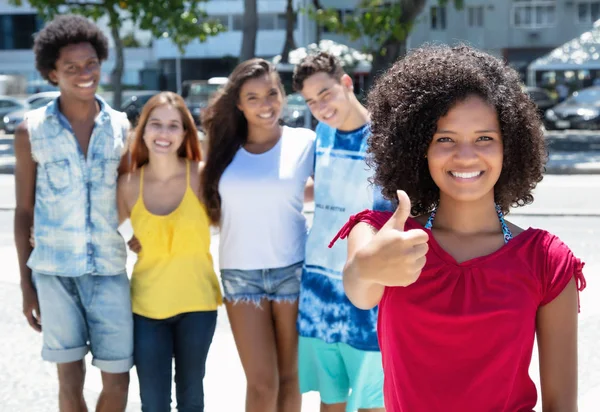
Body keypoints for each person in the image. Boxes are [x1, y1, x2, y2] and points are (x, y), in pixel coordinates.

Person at [335, 44, 587, 412]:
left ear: (510, 147)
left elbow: (562, 405)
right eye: (445, 139)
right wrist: (365, 267)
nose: (466, 155)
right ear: (418, 147)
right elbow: (360, 290)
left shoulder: (547, 261)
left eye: (485, 138)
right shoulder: (382, 236)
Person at [13, 15, 132, 412]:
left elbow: (128, 199)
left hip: (109, 272)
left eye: (92, 64)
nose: (85, 74)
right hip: (54, 273)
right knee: (69, 382)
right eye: (72, 68)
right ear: (52, 73)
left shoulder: (120, 127)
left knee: (118, 378)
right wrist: (26, 284)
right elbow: (24, 212)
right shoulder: (31, 130)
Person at [201, 58, 315, 412]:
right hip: (240, 276)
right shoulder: (222, 150)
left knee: (291, 377)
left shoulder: (305, 142)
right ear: (238, 103)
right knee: (262, 384)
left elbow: (335, 191)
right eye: (253, 97)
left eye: (271, 93)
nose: (265, 104)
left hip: (293, 271)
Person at [291, 51, 388, 412]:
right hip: (318, 285)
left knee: (371, 402)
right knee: (329, 400)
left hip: (366, 291)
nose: (320, 106)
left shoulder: (384, 139)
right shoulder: (322, 133)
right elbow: (324, 189)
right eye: (311, 101)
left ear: (346, 83)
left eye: (326, 93)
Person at [117, 92, 221, 411]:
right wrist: (131, 238)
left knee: (192, 397)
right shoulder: (128, 184)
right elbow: (112, 229)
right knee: (154, 403)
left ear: (185, 133)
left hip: (198, 305)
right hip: (147, 309)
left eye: (173, 125)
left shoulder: (203, 177)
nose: (164, 134)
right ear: (142, 130)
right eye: (156, 124)